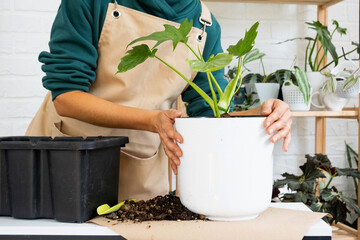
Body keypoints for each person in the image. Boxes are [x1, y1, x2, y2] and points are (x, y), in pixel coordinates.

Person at [26, 0, 292, 202]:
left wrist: (262, 114)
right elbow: (66, 98)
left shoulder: (205, 25)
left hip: (142, 170)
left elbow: (209, 119)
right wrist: (152, 120)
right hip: (69, 160)